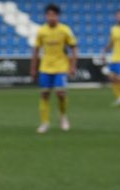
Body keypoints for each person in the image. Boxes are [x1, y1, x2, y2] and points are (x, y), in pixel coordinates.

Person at [30, 3, 78, 133]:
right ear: (46, 16)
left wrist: (73, 66)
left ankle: (63, 117)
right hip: (45, 67)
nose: (51, 17)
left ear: (58, 16)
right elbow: (36, 50)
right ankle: (44, 122)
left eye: (54, 15)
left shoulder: (65, 30)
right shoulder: (42, 31)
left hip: (61, 66)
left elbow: (74, 47)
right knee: (44, 94)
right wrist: (33, 68)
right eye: (49, 15)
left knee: (60, 93)